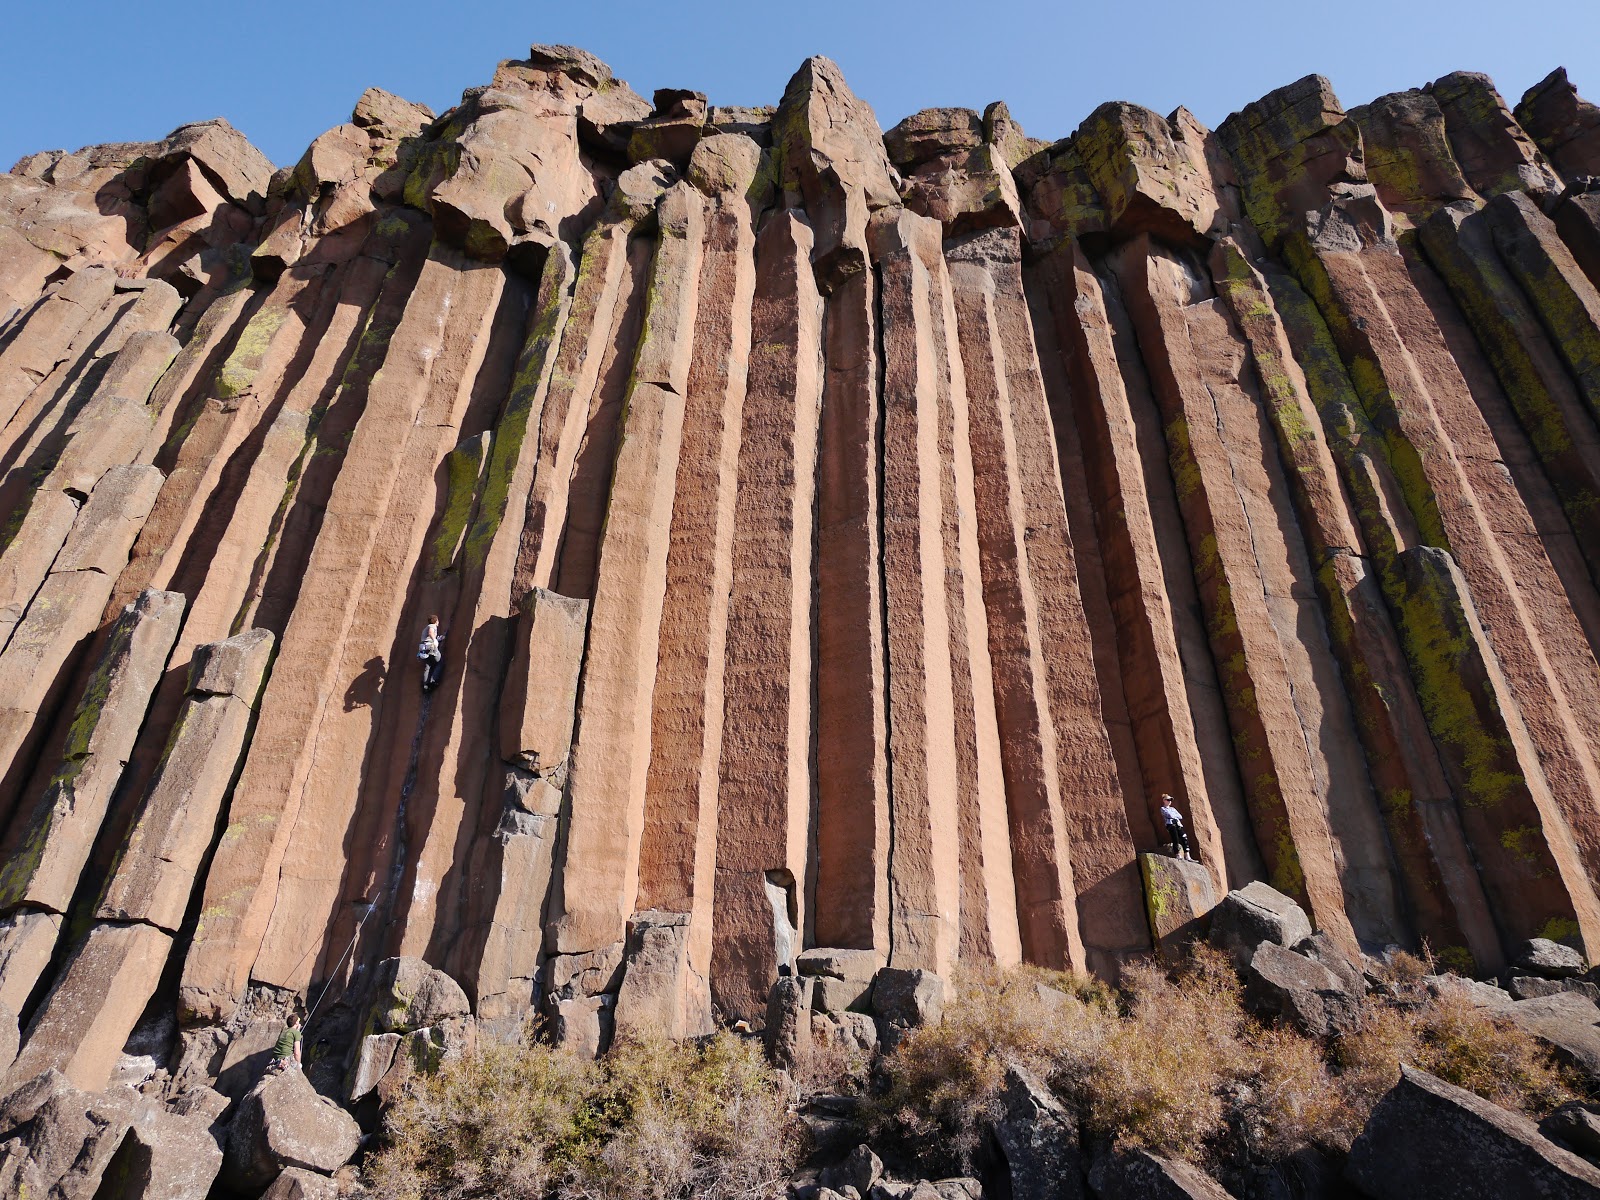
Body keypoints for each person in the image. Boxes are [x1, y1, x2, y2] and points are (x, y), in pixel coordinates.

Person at [1158, 794, 1194, 861]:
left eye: (1170, 800)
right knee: (1175, 838)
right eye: (1168, 800)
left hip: (1178, 824)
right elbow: (1169, 815)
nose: (1170, 801)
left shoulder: (1173, 809)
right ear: (1164, 800)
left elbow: (1180, 816)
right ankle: (1177, 854)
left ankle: (1187, 855)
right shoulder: (1163, 809)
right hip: (1171, 825)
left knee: (1184, 837)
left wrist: (1173, 815)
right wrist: (1174, 815)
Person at [418, 614, 444, 692]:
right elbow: (430, 633)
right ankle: (433, 681)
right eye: (438, 620)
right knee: (439, 663)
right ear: (435, 621)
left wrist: (438, 639)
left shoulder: (425, 628)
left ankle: (425, 686)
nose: (438, 622)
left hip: (423, 649)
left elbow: (427, 637)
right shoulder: (432, 626)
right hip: (430, 647)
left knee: (428, 666)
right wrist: (434, 640)